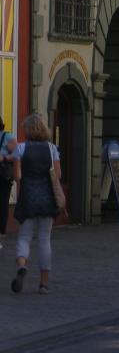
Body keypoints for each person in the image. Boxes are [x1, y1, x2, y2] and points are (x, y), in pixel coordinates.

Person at [10, 114, 61, 294]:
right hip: (47, 198)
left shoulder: (20, 149)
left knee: (24, 237)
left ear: (28, 130)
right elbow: (58, 175)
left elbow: (17, 176)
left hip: (28, 198)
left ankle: (22, 264)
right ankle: (44, 283)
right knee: (44, 240)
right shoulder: (52, 148)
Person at [0, 116, 16, 250]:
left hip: (3, 174)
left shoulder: (7, 136)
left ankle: (2, 230)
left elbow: (16, 154)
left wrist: (4, 157)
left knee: (3, 201)